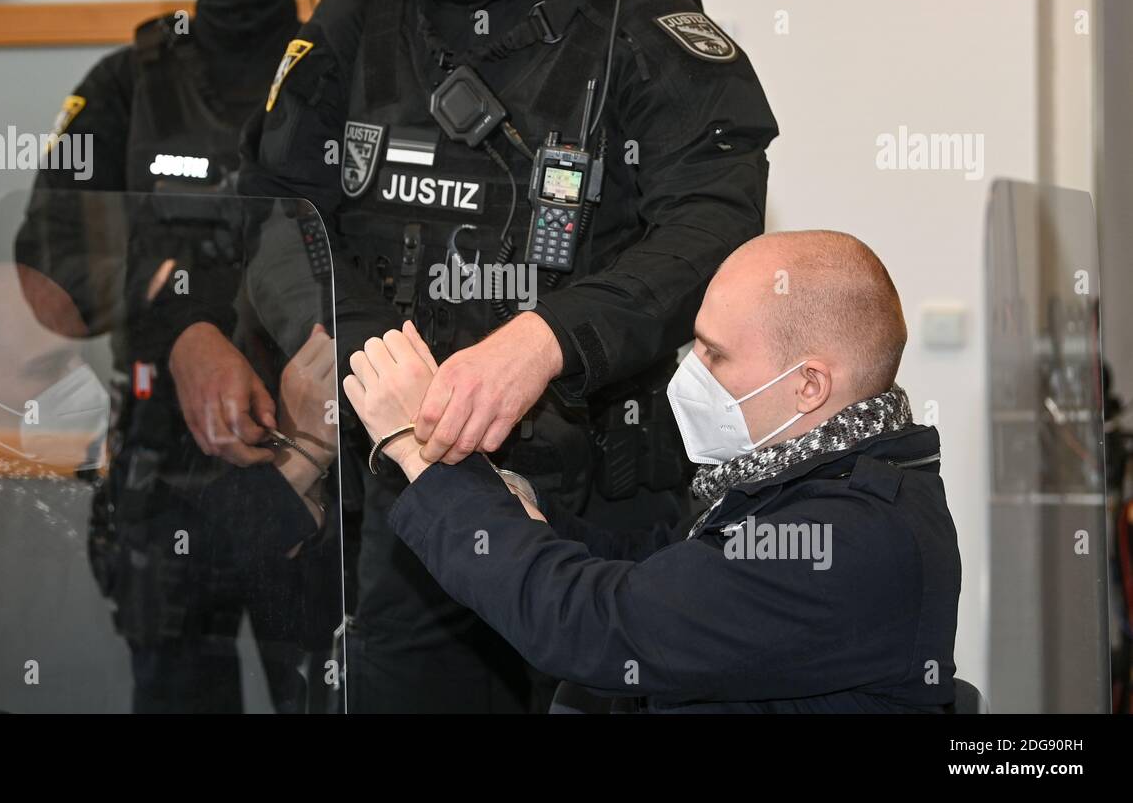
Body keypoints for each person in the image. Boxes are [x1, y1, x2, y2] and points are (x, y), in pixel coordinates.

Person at [169, 0, 779, 712]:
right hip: (418, 494)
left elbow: (714, 214)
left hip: (606, 503)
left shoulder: (627, 12)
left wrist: (551, 339)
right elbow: (278, 219)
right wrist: (384, 360)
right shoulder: (351, 27)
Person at [344, 231, 963, 713]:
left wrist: (417, 452)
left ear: (808, 385)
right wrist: (514, 502)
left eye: (715, 354)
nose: (692, 371)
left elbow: (602, 628)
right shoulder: (813, 477)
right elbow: (657, 566)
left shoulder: (846, 538)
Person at [14, 0, 342, 713]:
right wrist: (179, 314)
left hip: (310, 467)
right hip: (162, 476)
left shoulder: (342, 72)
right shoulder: (129, 84)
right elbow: (45, 273)